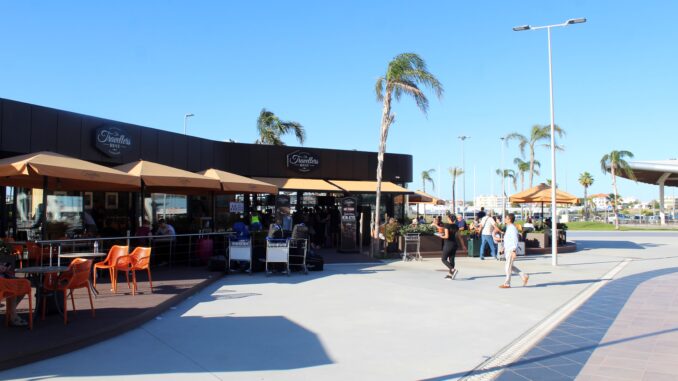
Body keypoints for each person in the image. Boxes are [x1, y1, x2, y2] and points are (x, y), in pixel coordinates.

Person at [499, 213, 529, 288]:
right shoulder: (509, 227)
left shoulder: (512, 228)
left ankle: (507, 283)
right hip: (508, 249)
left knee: (507, 267)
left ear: (509, 219)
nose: (505, 219)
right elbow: (508, 240)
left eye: (506, 218)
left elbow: (515, 240)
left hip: (511, 250)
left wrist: (514, 250)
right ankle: (524, 276)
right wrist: (503, 248)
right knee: (510, 266)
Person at [0, 259, 27, 326]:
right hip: (3, 285)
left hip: (8, 283)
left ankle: (12, 313)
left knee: (23, 289)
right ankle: (14, 317)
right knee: (13, 292)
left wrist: (5, 266)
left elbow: (8, 264)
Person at [438, 213, 459, 279]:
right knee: (452, 259)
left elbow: (446, 236)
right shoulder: (456, 226)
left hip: (448, 244)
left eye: (447, 218)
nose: (447, 218)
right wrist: (463, 245)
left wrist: (441, 236)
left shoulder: (447, 225)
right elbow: (459, 236)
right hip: (455, 244)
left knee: (443, 259)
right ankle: (450, 275)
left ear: (450, 218)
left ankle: (452, 269)